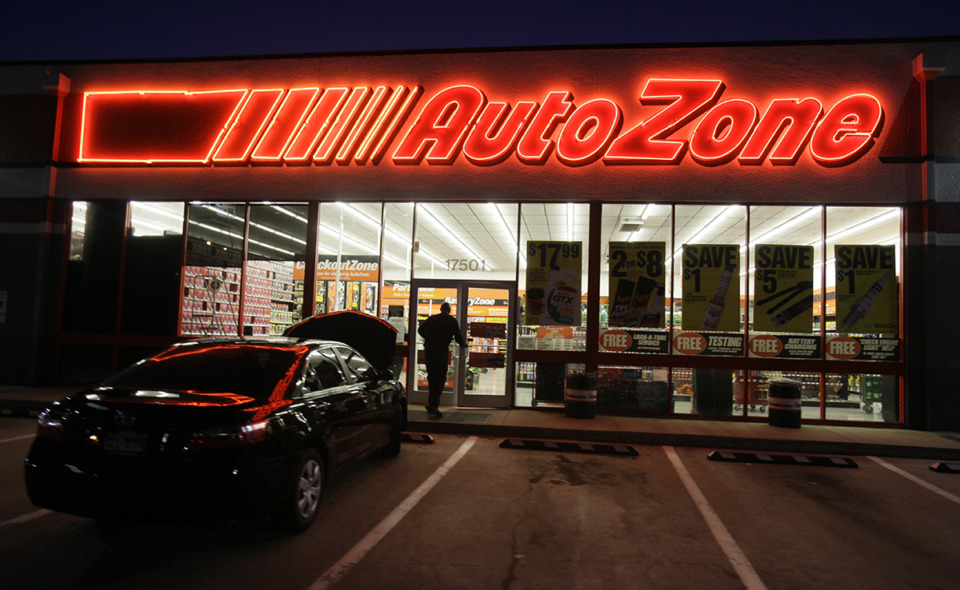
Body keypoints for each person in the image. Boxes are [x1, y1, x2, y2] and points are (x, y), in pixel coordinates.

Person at [417, 301, 466, 418]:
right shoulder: (451, 321)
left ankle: (431, 404)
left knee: (432, 377)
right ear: (449, 310)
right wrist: (464, 345)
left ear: (440, 309)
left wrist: (429, 338)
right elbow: (458, 336)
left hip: (429, 350)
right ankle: (433, 405)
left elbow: (420, 330)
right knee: (440, 378)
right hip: (441, 351)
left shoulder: (432, 319)